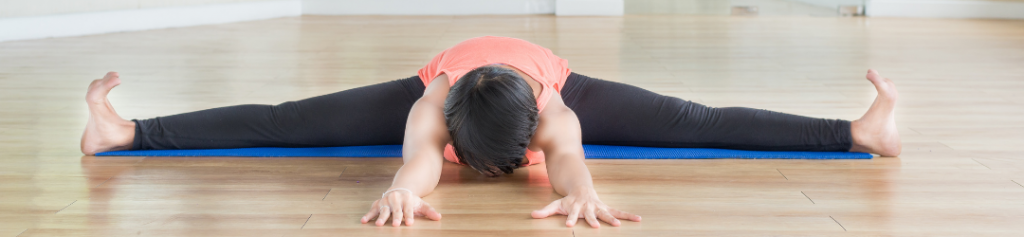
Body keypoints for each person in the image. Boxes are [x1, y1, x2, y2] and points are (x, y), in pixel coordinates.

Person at [80, 36, 901, 228]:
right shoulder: (427, 105)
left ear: (534, 132)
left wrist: (584, 200)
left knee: (699, 119)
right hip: (449, 70)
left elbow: (573, 165)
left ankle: (859, 129)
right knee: (284, 120)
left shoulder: (561, 110)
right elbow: (413, 163)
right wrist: (405, 187)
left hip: (546, 69)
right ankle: (124, 132)